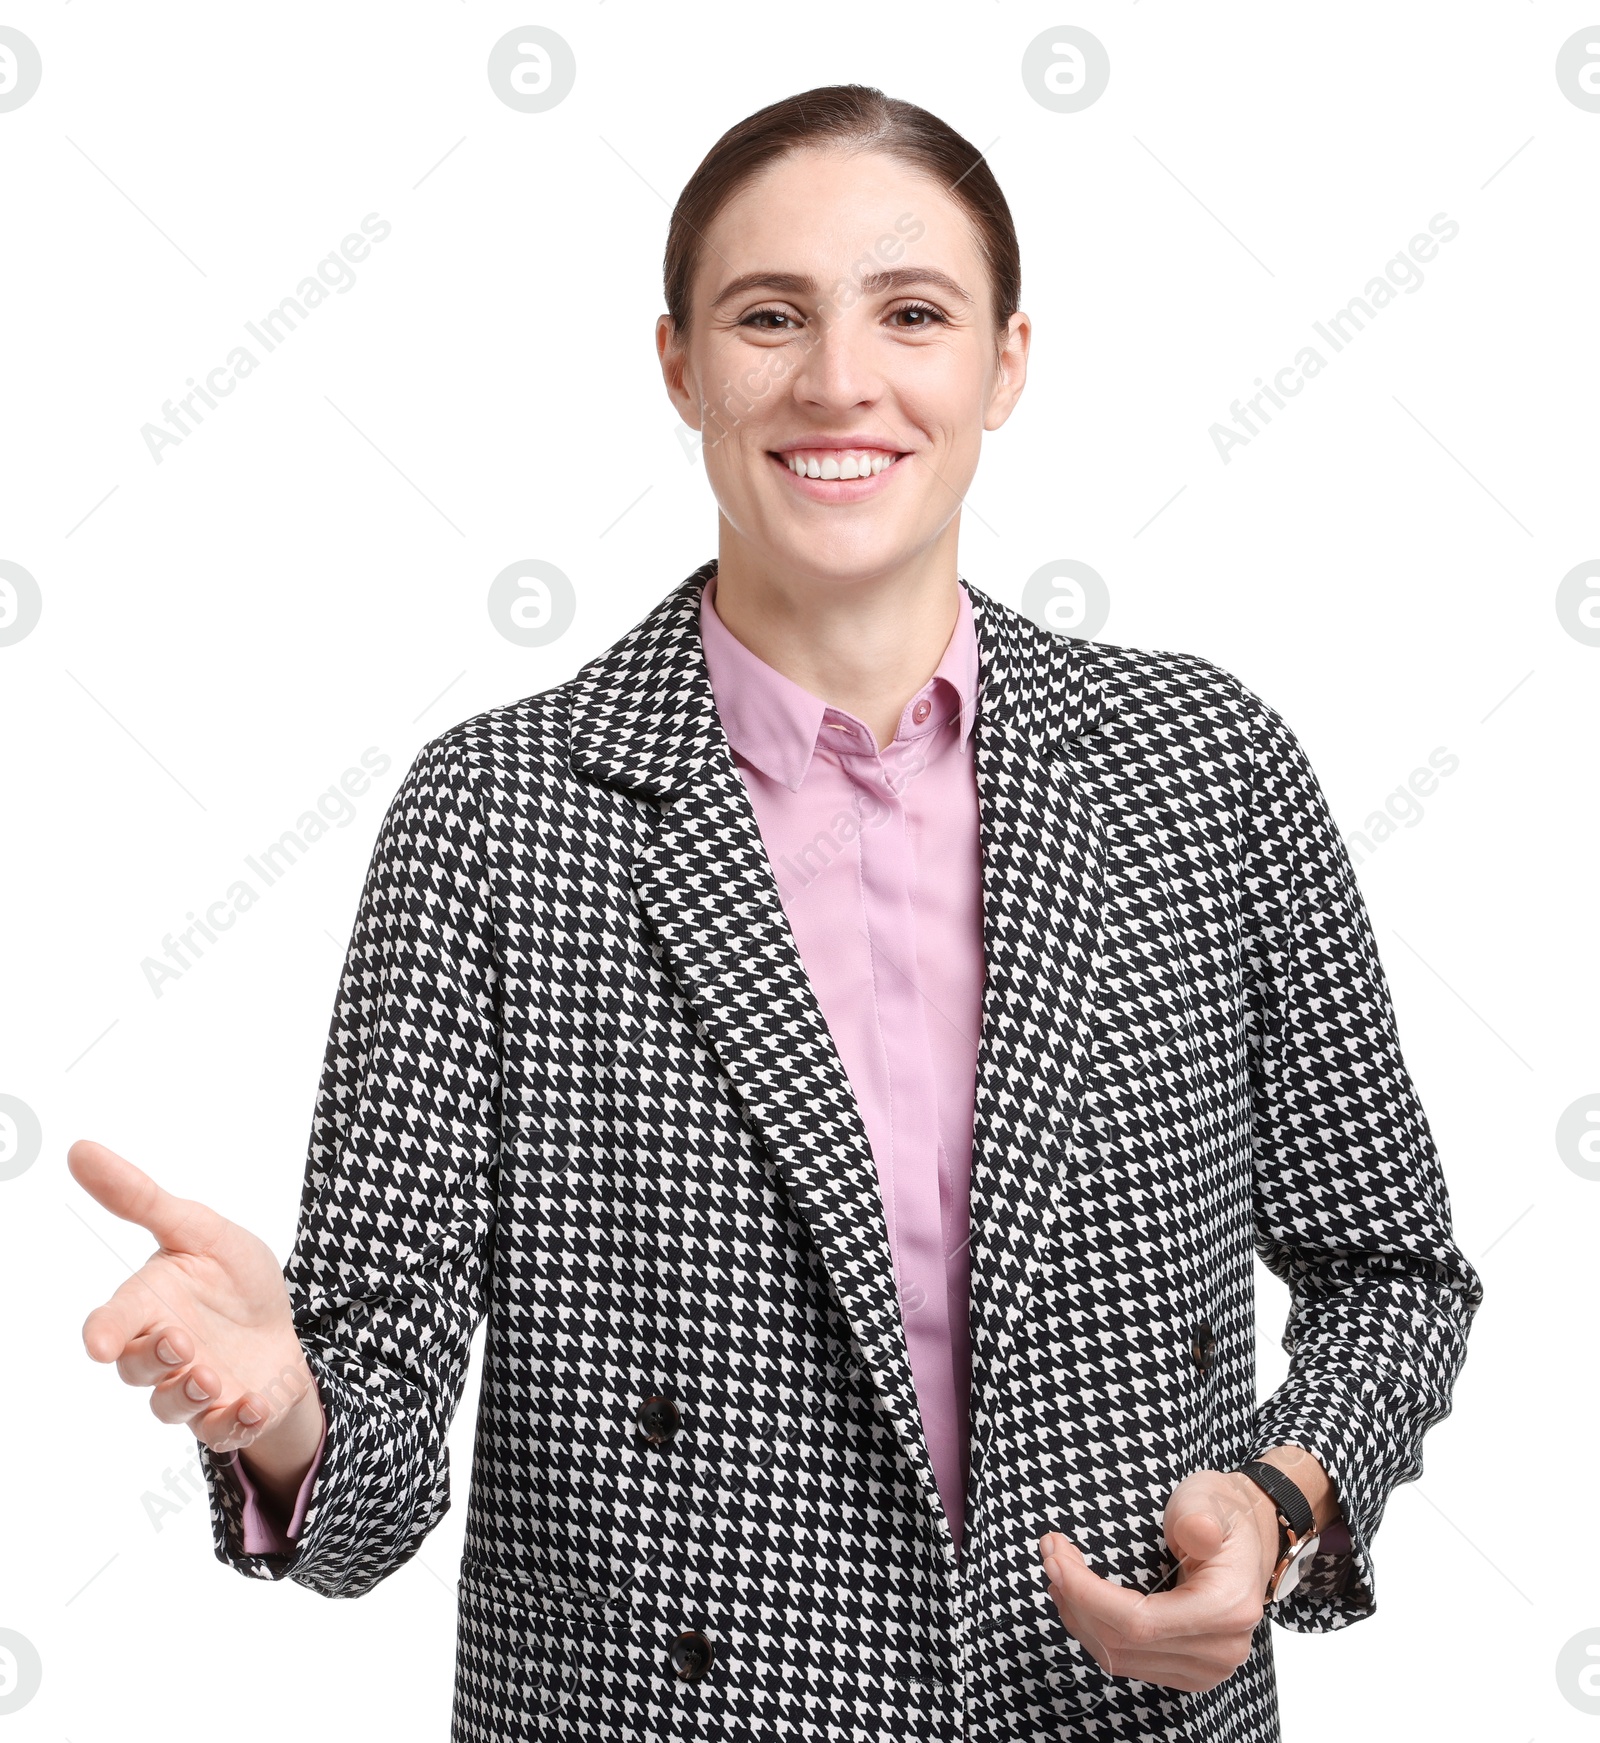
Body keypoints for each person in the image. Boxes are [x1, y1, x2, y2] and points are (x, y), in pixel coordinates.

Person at [72, 84, 1483, 1742]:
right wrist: (293, 1408)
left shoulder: (1203, 770)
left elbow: (1394, 1278)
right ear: (677, 363)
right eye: (768, 316)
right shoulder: (495, 819)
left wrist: (1277, 1500)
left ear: (1004, 363)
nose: (838, 382)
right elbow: (368, 1496)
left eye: (911, 314)